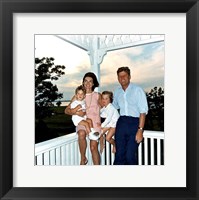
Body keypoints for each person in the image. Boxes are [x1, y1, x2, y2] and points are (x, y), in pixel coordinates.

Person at [113, 66, 148, 165]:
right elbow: (114, 107)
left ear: (129, 76)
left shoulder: (137, 90)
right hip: (121, 123)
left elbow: (143, 111)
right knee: (119, 155)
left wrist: (140, 129)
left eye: (124, 75)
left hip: (134, 124)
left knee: (129, 156)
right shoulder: (117, 91)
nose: (122, 78)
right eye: (120, 76)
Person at [65, 72, 101, 165]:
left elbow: (106, 111)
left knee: (93, 147)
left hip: (94, 124)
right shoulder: (78, 95)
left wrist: (104, 129)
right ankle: (83, 158)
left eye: (90, 81)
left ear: (93, 83)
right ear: (83, 82)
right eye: (85, 81)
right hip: (81, 121)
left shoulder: (98, 95)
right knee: (81, 133)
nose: (88, 83)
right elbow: (66, 110)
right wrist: (76, 112)